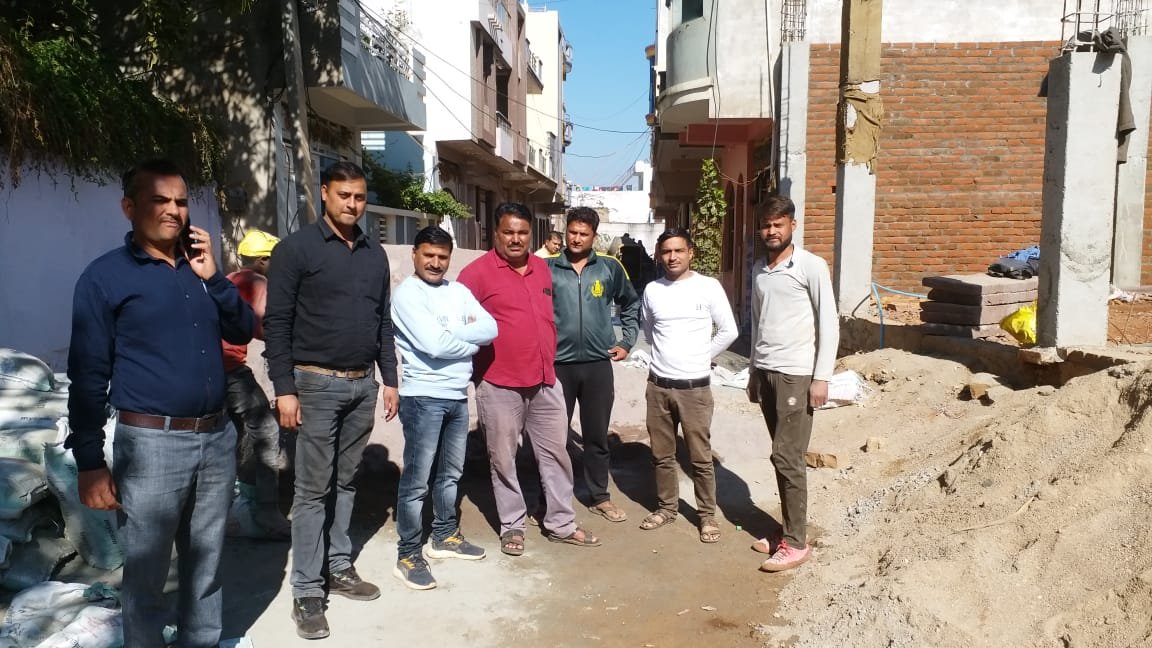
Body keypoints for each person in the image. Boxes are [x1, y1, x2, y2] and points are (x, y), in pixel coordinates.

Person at [66, 159, 255, 647]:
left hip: (215, 437)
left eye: (181, 201)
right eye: (160, 200)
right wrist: (89, 461)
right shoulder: (105, 278)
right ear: (129, 207)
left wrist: (215, 278)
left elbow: (242, 331)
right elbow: (88, 374)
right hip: (151, 445)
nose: (174, 210)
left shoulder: (200, 270)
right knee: (147, 573)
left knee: (207, 564)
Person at [263, 161, 399, 640]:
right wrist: (284, 388)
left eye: (359, 197)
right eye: (344, 195)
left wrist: (389, 379)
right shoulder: (296, 249)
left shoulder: (374, 254)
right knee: (311, 490)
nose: (352, 204)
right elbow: (276, 323)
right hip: (315, 385)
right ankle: (306, 590)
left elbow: (382, 321)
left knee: (346, 482)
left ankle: (338, 566)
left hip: (362, 385)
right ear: (324, 193)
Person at [457, 203, 601, 557]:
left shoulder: (541, 269)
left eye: (522, 232)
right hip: (498, 383)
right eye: (508, 232)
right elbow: (458, 324)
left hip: (545, 380)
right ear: (496, 233)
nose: (516, 239)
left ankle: (561, 523)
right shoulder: (475, 275)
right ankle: (513, 525)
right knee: (503, 458)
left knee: (556, 454)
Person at [390, 226, 497, 590]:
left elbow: (490, 328)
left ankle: (444, 536)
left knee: (451, 473)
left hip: (456, 395)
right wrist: (469, 342)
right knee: (417, 480)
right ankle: (408, 554)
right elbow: (434, 346)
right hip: (423, 397)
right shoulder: (407, 295)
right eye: (428, 255)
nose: (435, 263)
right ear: (414, 255)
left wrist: (451, 334)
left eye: (442, 257)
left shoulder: (458, 291)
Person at [747, 195, 838, 573]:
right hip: (766, 371)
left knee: (787, 457)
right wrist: (753, 370)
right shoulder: (759, 270)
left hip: (796, 374)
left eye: (778, 225)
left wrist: (822, 377)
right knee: (780, 454)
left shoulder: (811, 266)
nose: (771, 231)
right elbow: (757, 322)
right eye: (766, 225)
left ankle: (797, 543)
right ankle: (786, 530)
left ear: (792, 226)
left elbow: (829, 321)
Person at [638, 228, 737, 544]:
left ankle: (706, 515)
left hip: (695, 389)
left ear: (690, 252)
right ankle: (667, 508)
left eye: (678, 250)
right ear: (659, 255)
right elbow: (649, 331)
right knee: (661, 454)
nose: (672, 257)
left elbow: (729, 330)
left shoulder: (708, 287)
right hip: (659, 386)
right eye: (666, 251)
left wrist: (701, 356)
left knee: (700, 457)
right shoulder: (653, 290)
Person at [547, 207, 640, 523]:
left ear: (594, 236)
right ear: (565, 232)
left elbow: (630, 302)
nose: (576, 238)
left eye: (583, 234)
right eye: (572, 232)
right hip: (558, 365)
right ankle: (550, 498)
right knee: (553, 436)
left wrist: (627, 341)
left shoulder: (609, 268)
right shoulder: (547, 267)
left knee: (596, 436)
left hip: (598, 365)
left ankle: (599, 496)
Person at [222, 229, 292, 540]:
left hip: (209, 371)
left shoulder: (228, 279)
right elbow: (268, 328)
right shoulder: (258, 284)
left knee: (233, 436)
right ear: (263, 261)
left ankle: (235, 506)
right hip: (230, 369)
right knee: (266, 431)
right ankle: (265, 512)